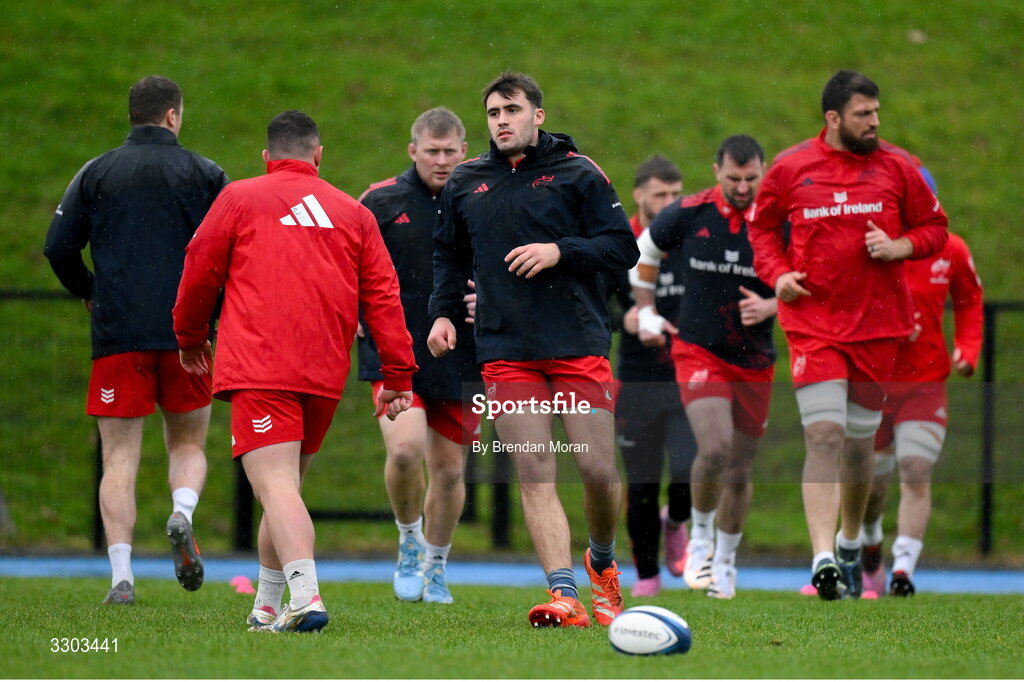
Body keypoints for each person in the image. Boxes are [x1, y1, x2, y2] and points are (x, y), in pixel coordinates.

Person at [172, 110, 416, 633]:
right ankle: (265, 607)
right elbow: (384, 295)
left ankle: (305, 597)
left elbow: (198, 268)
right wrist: (397, 373)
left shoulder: (240, 197)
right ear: (318, 154)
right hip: (323, 371)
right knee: (285, 493)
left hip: (261, 366)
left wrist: (190, 338)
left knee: (277, 487)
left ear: (267, 156)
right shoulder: (353, 213)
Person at [427, 72, 639, 628]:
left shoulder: (578, 173)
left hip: (576, 343)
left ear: (537, 116)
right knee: (534, 470)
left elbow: (624, 247)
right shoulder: (466, 181)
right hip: (506, 352)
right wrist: (444, 314)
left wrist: (559, 251)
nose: (501, 121)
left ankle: (602, 564)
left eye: (512, 110)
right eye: (494, 112)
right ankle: (565, 595)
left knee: (596, 469)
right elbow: (447, 256)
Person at [748, 70, 948, 600]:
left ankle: (851, 541)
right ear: (833, 118)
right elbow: (762, 229)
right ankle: (822, 560)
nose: (875, 122)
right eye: (864, 114)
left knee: (860, 445)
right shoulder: (792, 168)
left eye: (876, 112)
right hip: (813, 325)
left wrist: (901, 247)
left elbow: (936, 230)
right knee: (825, 434)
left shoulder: (898, 167)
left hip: (879, 327)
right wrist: (779, 274)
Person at [44, 75, 228, 605]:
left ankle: (121, 577)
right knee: (188, 443)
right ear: (173, 115)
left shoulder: (96, 172)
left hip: (118, 332)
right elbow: (231, 249)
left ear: (134, 115)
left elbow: (58, 247)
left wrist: (91, 292)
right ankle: (183, 511)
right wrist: (213, 309)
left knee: (119, 457)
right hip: (187, 336)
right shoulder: (205, 173)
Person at [632, 135, 777, 600]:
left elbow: (816, 278)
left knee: (739, 467)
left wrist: (772, 305)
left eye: (751, 178)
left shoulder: (778, 218)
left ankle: (727, 562)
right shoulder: (691, 212)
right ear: (716, 171)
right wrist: (647, 308)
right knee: (714, 446)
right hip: (698, 349)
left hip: (754, 358)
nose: (742, 187)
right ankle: (699, 539)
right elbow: (644, 254)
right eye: (733, 178)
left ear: (763, 171)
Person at [357, 107, 480, 604]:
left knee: (450, 469)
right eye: (432, 151)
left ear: (465, 150)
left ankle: (436, 566)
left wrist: (488, 297)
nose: (443, 160)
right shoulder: (380, 201)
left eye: (451, 150)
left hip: (463, 352)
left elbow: (508, 265)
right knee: (405, 450)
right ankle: (409, 541)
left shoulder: (482, 199)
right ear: (413, 151)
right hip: (395, 351)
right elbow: (348, 269)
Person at [860, 212, 983, 597]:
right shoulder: (870, 245)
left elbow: (969, 300)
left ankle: (902, 570)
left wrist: (968, 348)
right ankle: (869, 545)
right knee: (870, 486)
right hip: (873, 380)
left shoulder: (952, 249)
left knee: (915, 467)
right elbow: (840, 306)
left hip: (924, 382)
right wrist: (887, 326)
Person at [612, 156, 697, 597]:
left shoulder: (691, 241)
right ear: (639, 195)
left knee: (688, 469)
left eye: (675, 193)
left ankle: (677, 521)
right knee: (642, 483)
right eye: (660, 194)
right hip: (637, 380)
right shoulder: (619, 242)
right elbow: (597, 300)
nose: (669, 202)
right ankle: (647, 575)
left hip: (687, 375)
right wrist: (623, 318)